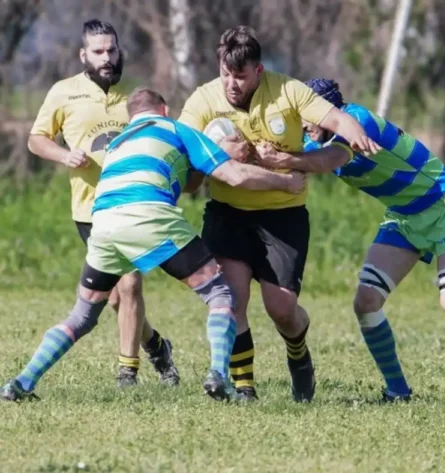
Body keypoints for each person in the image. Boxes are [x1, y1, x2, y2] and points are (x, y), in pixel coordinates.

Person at [2, 88, 306, 403]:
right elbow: (234, 176)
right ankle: (218, 375)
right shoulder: (175, 129)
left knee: (82, 315)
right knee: (220, 294)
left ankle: (21, 382)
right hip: (148, 214)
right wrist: (285, 182)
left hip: (103, 222)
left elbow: (186, 178)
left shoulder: (118, 142)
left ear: (131, 117)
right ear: (164, 109)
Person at [254, 78, 445, 401]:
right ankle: (398, 391)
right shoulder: (315, 140)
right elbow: (296, 161)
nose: (305, 123)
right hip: (404, 216)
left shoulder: (359, 122)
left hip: (442, 204)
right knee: (366, 302)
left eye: (310, 113)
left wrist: (283, 160)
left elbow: (329, 161)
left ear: (329, 111)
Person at [178, 26, 379, 402]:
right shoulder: (203, 100)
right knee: (233, 300)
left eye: (239, 76)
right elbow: (182, 150)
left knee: (282, 309)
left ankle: (299, 357)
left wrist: (357, 135)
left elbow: (337, 119)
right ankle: (244, 389)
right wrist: (216, 157)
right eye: (225, 73)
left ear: (258, 71)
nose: (231, 83)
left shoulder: (287, 90)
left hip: (283, 216)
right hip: (228, 211)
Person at [27, 19, 177, 387]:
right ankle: (156, 345)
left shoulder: (135, 97)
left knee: (129, 287)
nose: (107, 57)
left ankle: (128, 372)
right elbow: (36, 139)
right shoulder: (64, 93)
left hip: (130, 205)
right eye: (98, 51)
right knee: (113, 299)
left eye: (111, 50)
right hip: (87, 211)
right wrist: (64, 156)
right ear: (83, 55)